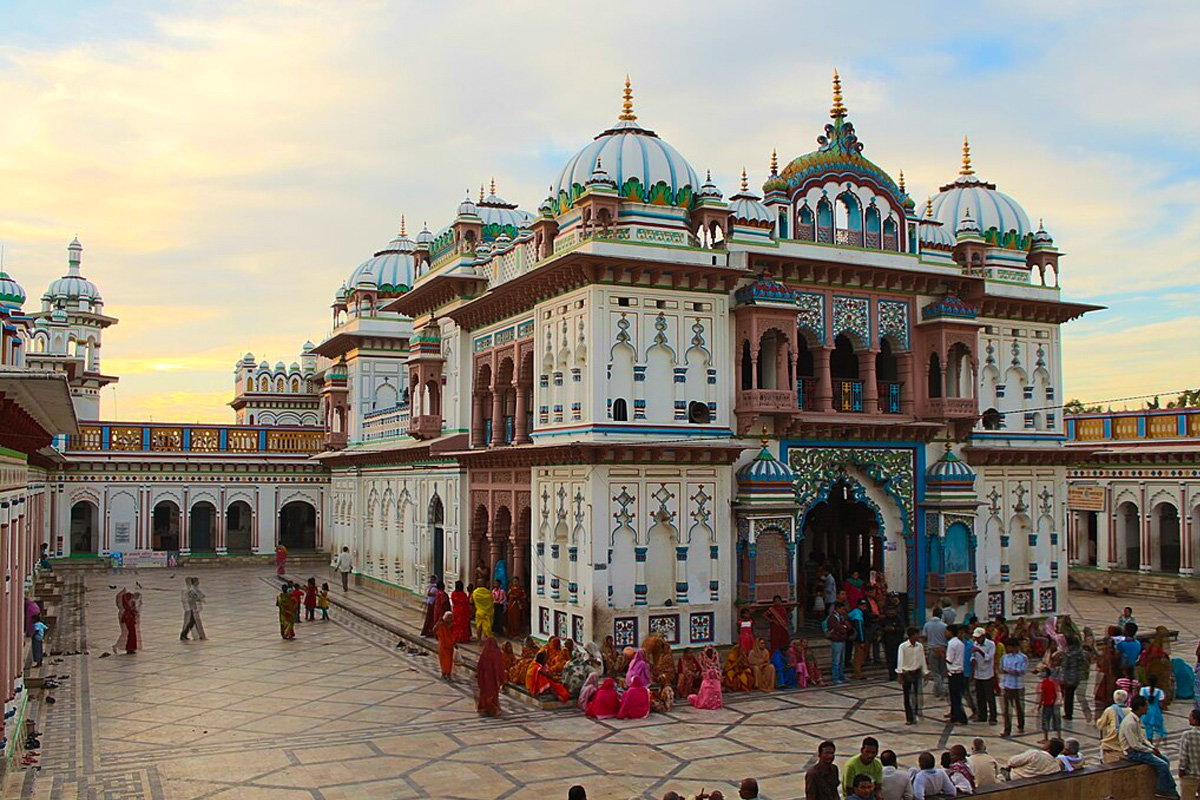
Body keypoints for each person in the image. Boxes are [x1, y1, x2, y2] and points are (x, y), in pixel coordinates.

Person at [1122, 694, 1179, 798]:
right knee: (1162, 765)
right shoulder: (1130, 723)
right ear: (1140, 707)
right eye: (1146, 706)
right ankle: (1162, 789)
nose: (1147, 708)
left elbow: (1142, 738)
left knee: (1165, 760)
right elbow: (1134, 745)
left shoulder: (1136, 720)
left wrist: (1152, 747)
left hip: (1140, 749)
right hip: (1133, 753)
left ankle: (1170, 788)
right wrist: (1149, 751)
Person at [1000, 634, 1027, 736]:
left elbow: (1022, 670)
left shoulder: (1022, 658)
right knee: (1006, 709)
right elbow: (1001, 668)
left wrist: (1011, 671)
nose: (1009, 649)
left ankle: (1021, 724)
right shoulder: (1005, 658)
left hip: (1018, 686)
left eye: (1010, 647)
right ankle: (1007, 729)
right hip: (1007, 685)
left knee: (1019, 707)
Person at [1058, 634, 1090, 722]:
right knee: (1072, 694)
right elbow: (1085, 663)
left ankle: (1068, 714)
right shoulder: (1081, 653)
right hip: (1077, 675)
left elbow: (1064, 666)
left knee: (1068, 696)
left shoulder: (1068, 654)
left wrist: (1061, 677)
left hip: (1068, 676)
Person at [898, 627, 924, 725]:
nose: (918, 636)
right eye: (917, 634)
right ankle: (909, 717)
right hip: (907, 672)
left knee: (916, 694)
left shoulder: (920, 646)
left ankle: (916, 713)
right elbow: (900, 660)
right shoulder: (903, 646)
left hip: (916, 671)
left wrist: (925, 671)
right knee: (907, 695)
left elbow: (922, 659)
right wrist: (900, 673)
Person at [971, 627, 997, 724]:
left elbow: (988, 658)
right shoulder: (975, 644)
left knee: (990, 697)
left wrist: (980, 651)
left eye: (979, 638)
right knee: (980, 696)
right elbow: (972, 656)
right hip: (978, 673)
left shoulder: (991, 645)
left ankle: (993, 717)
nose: (977, 640)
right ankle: (982, 715)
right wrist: (972, 660)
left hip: (987, 674)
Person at [475, 636, 506, 716]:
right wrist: (500, 678)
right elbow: (499, 667)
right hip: (493, 679)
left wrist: (479, 676)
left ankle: (484, 709)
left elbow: (479, 667)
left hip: (485, 678)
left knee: (484, 693)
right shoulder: (497, 653)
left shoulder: (484, 653)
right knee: (493, 694)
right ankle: (492, 709)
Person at [1097, 689, 1130, 763]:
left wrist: (1099, 720)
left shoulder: (1109, 710)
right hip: (1126, 742)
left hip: (1111, 741)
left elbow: (1100, 725)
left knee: (1103, 745)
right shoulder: (1130, 711)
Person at [922, 607, 948, 700]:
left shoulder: (927, 625)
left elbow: (924, 637)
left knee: (935, 672)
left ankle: (939, 691)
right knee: (941, 671)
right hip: (943, 649)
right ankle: (939, 690)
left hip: (932, 649)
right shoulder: (944, 626)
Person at [945, 624, 968, 724]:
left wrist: (942, 655)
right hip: (959, 672)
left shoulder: (952, 644)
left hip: (954, 672)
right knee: (955, 697)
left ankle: (961, 718)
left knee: (956, 697)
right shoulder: (960, 643)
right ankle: (954, 716)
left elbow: (950, 660)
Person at [1176, 708, 1200, 800]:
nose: (1188, 718)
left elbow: (1183, 755)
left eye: (1190, 717)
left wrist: (1181, 769)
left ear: (1195, 720)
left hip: (1190, 774)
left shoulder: (1187, 735)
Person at [880, 601, 905, 682]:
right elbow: (880, 629)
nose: (890, 612)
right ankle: (891, 675)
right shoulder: (884, 620)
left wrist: (894, 629)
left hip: (897, 642)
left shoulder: (899, 619)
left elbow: (902, 629)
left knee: (897, 659)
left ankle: (898, 674)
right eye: (889, 610)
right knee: (889, 660)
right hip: (887, 643)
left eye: (892, 610)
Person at [826, 602, 850, 685]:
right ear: (837, 609)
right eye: (842, 609)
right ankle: (835, 678)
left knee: (841, 660)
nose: (844, 611)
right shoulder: (832, 618)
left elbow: (847, 626)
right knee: (836, 660)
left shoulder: (841, 617)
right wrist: (844, 627)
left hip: (842, 639)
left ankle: (841, 676)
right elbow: (839, 628)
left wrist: (845, 626)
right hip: (836, 640)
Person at [1143, 673, 1170, 744]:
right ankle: (1163, 740)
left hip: (1146, 712)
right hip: (1156, 712)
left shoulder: (1143, 690)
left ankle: (1149, 741)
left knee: (1148, 728)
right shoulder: (1160, 692)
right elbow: (1161, 704)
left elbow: (1142, 701)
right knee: (1159, 727)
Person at [180, 576, 207, 641]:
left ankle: (186, 635)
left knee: (192, 622)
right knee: (191, 622)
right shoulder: (188, 589)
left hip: (192, 608)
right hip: (190, 608)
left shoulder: (192, 588)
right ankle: (184, 635)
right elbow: (192, 598)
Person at [848, 599, 869, 680]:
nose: (864, 608)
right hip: (859, 639)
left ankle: (857, 673)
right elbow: (859, 629)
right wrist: (862, 640)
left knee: (858, 656)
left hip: (857, 638)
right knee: (859, 657)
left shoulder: (856, 613)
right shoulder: (857, 615)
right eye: (863, 606)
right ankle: (858, 674)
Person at [435, 611, 456, 680]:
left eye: (450, 618)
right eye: (448, 618)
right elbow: (434, 630)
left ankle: (448, 673)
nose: (449, 619)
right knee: (444, 660)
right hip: (443, 645)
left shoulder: (453, 625)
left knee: (449, 661)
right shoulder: (441, 624)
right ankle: (444, 672)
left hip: (450, 645)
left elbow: (454, 635)